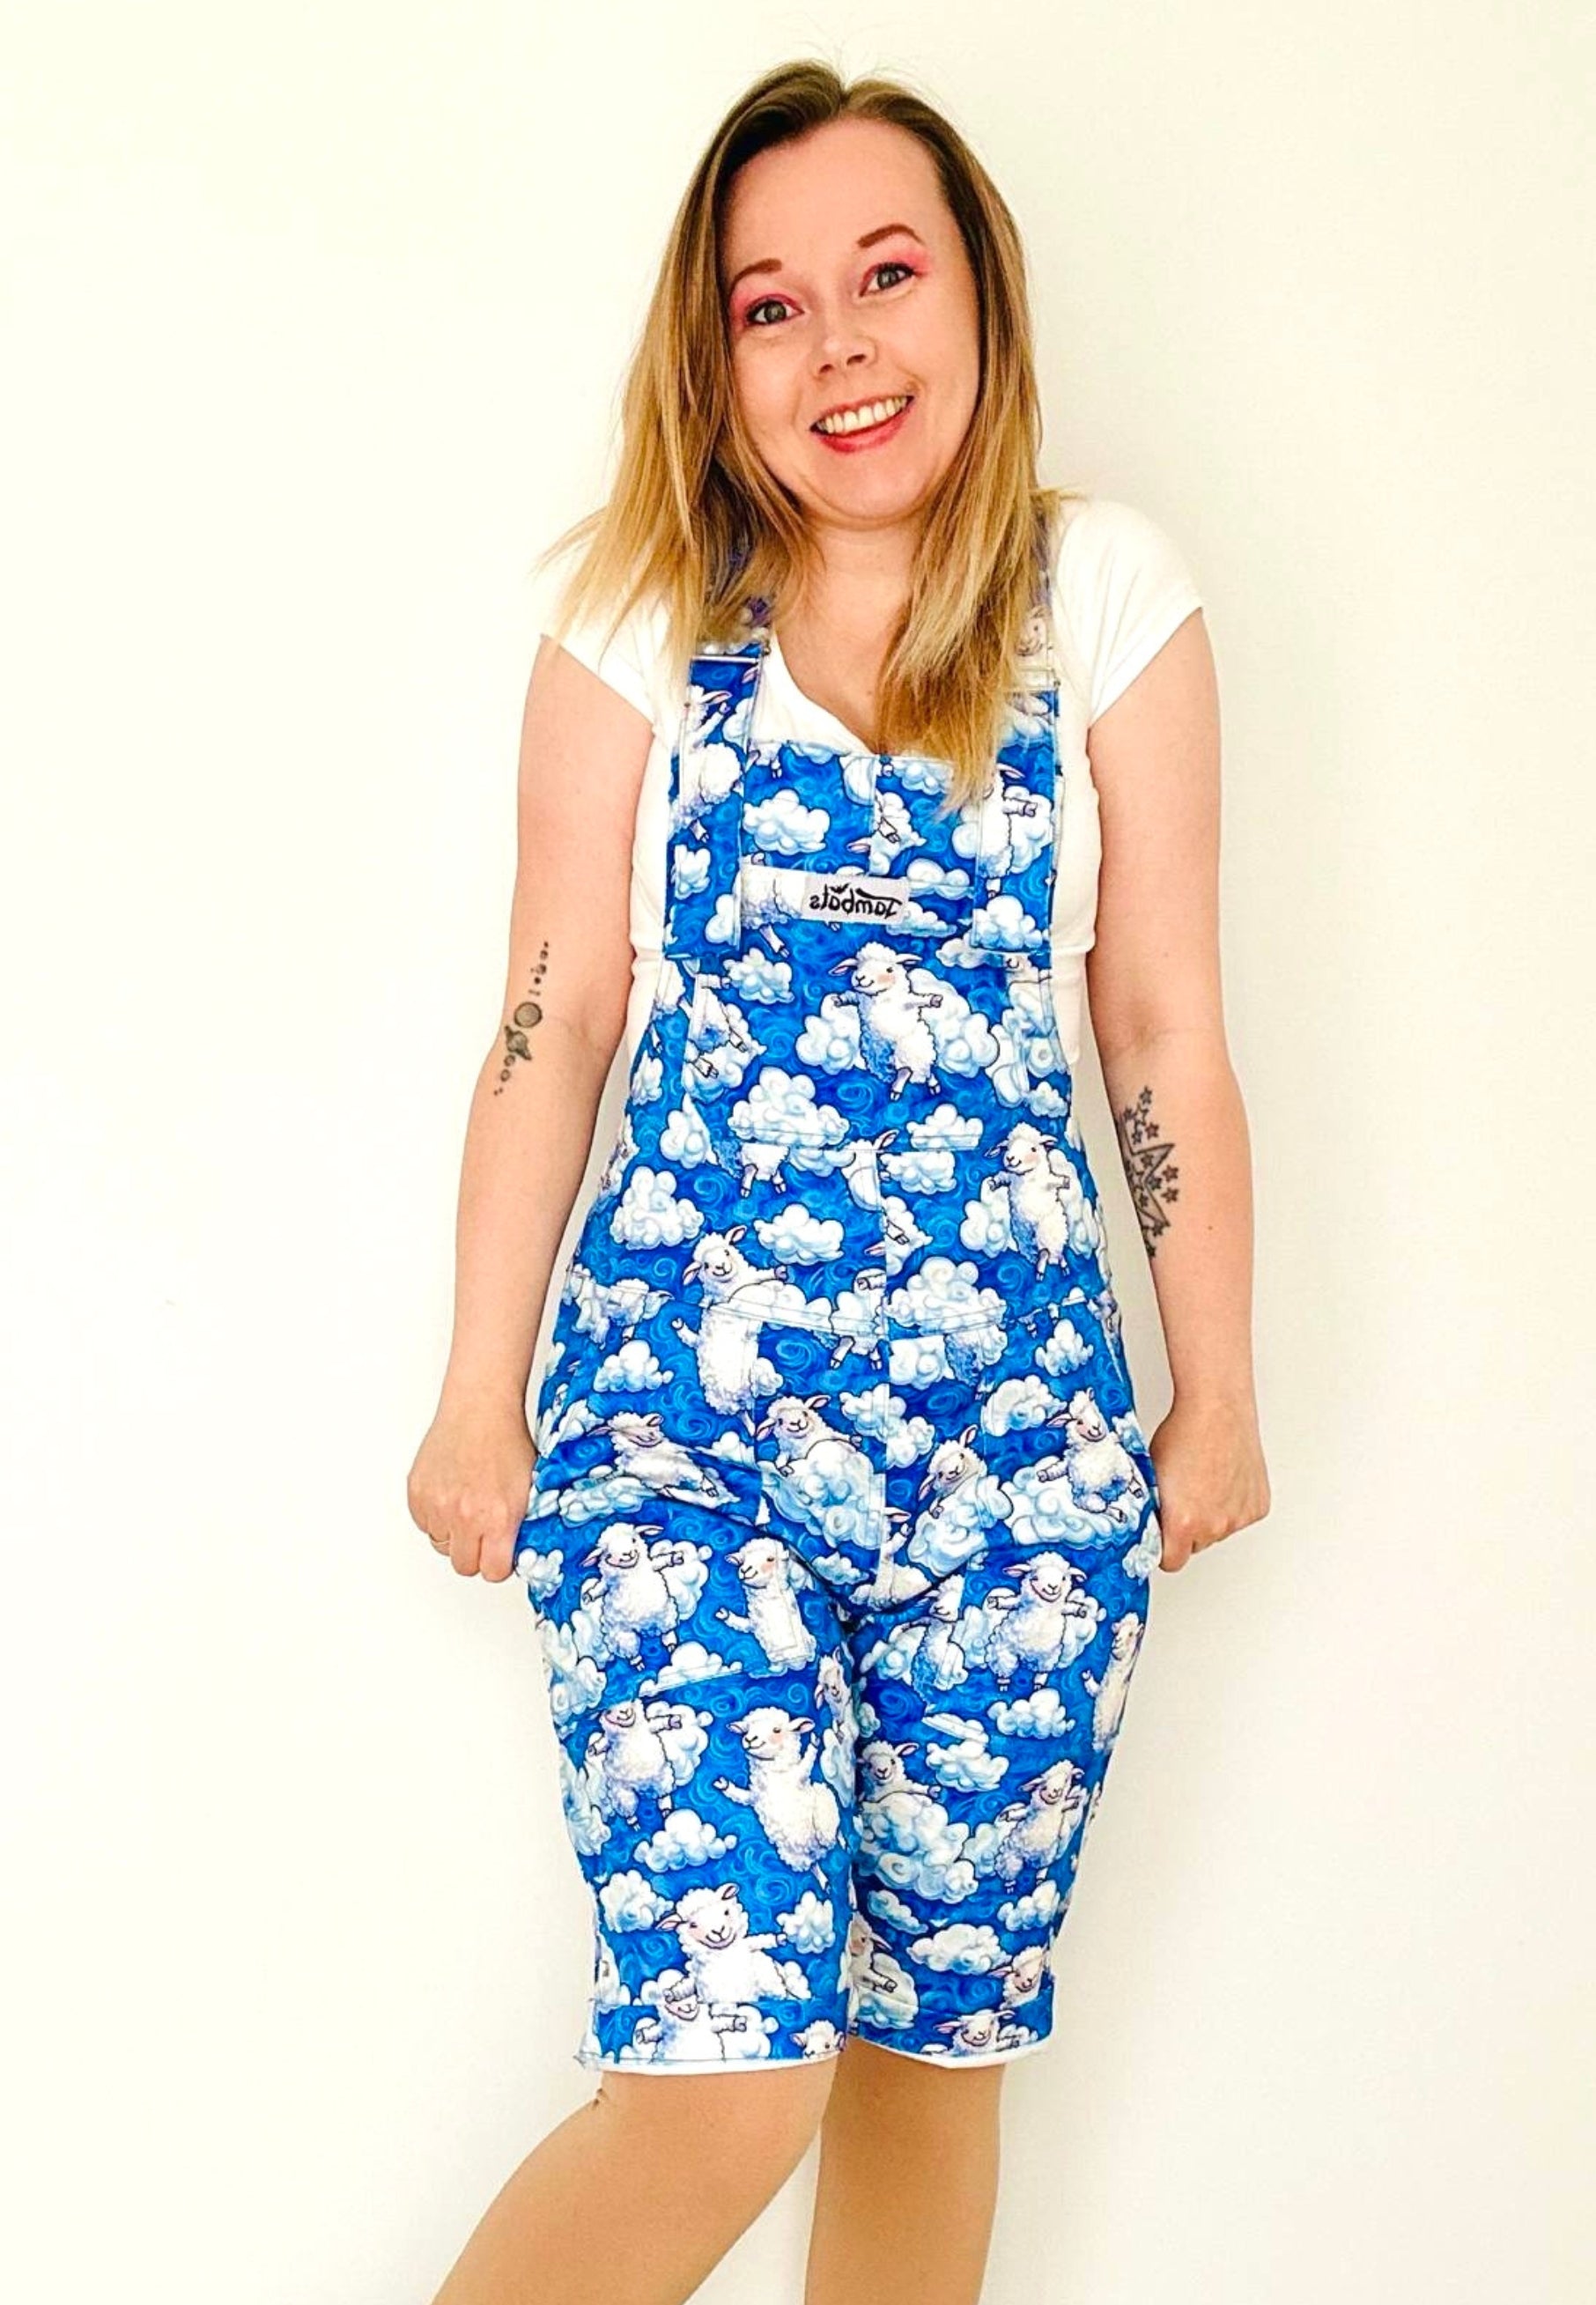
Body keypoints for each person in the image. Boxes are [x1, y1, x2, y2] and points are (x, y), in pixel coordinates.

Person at [408, 56, 1270, 2305]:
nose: (840, 346)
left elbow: (1160, 1016)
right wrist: (478, 1388)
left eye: (887, 275)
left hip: (1018, 1475)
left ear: (981, 293)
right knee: (725, 2084)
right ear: (716, 365)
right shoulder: (632, 617)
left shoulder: (1105, 593)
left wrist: (1217, 1388)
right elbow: (549, 1022)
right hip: (680, 1451)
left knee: (926, 2063)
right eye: (771, 306)